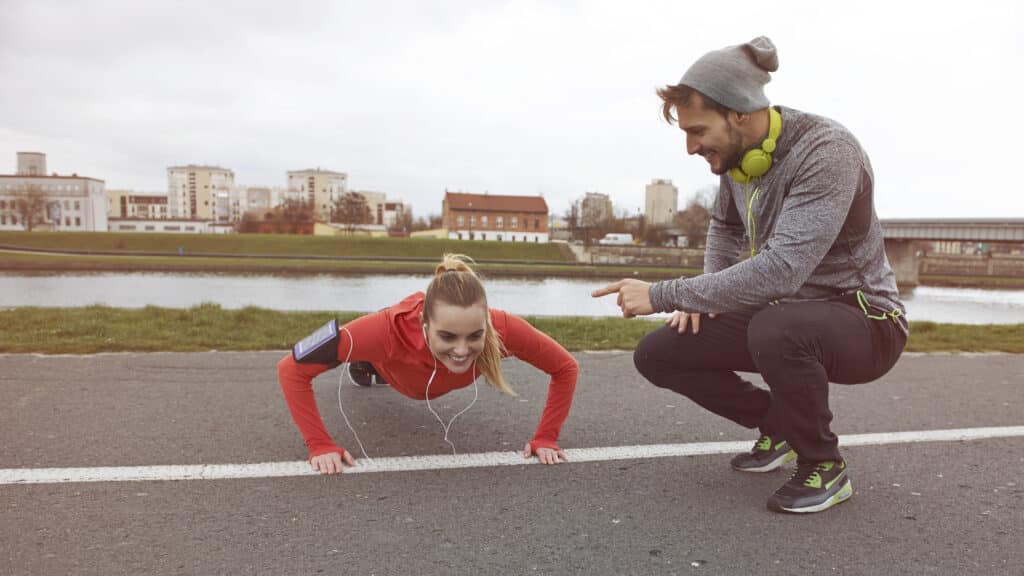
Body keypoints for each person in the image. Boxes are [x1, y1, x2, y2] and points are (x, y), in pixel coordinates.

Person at [593, 36, 907, 514]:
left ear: (740, 114)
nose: (690, 146)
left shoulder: (827, 152)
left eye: (697, 130)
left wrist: (664, 294)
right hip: (786, 315)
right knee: (658, 352)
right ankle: (778, 424)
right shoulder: (738, 161)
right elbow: (724, 226)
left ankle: (824, 465)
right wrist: (708, 297)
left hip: (867, 322)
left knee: (775, 326)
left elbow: (782, 270)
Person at [278, 253, 579, 474]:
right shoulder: (384, 330)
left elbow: (565, 367)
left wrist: (546, 437)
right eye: (447, 336)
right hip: (387, 362)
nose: (462, 350)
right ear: (425, 327)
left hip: (419, 378)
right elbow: (290, 369)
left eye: (474, 336)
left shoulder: (503, 329)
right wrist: (320, 445)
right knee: (366, 352)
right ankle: (364, 364)